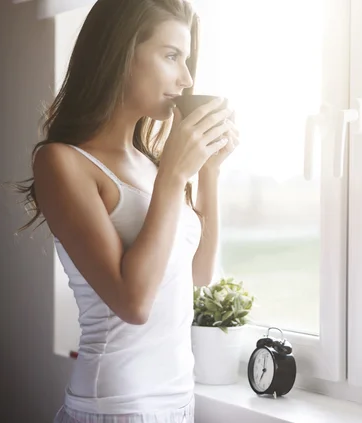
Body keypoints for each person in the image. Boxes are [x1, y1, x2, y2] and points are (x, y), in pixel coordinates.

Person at [13, 0, 239, 422]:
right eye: (171, 56)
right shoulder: (62, 162)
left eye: (186, 60)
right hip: (116, 406)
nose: (186, 79)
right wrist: (173, 176)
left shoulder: (151, 164)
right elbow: (133, 303)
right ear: (120, 53)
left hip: (176, 401)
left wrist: (208, 172)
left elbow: (198, 275)